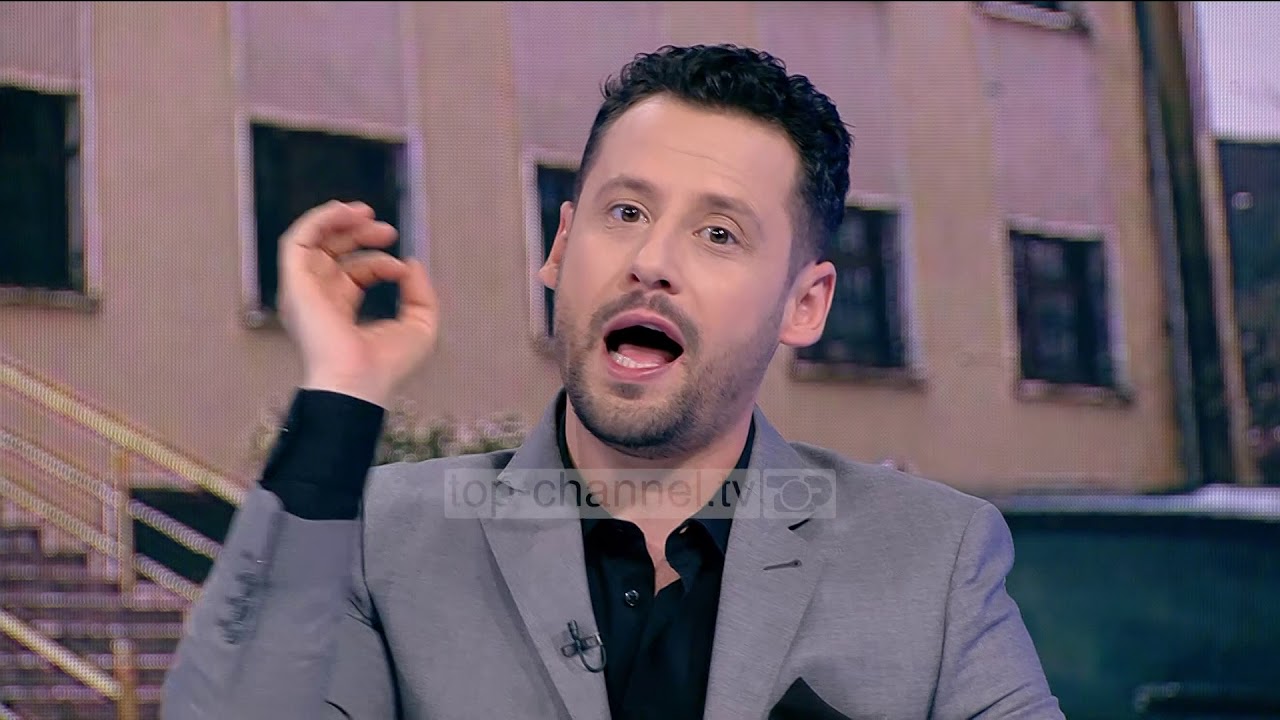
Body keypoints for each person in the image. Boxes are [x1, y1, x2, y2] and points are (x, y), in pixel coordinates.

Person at [161, 44, 1064, 719]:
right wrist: (340, 393)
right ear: (561, 248)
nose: (651, 260)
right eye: (625, 211)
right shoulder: (384, 537)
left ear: (804, 303)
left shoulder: (931, 555)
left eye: (719, 234)